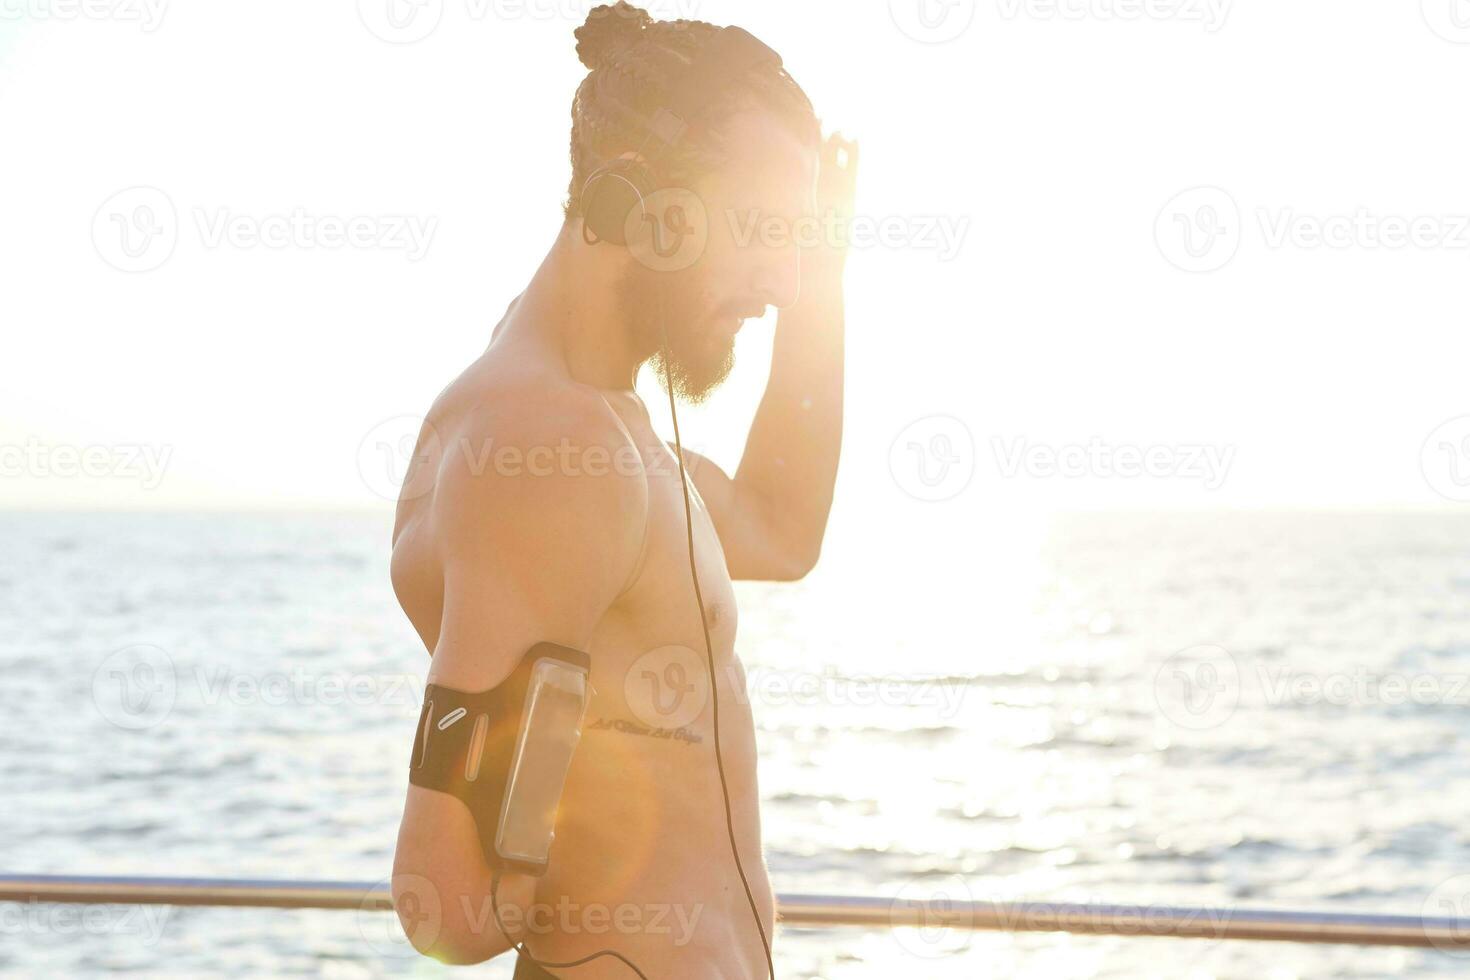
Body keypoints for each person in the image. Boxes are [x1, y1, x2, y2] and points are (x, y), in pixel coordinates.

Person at [389, 4, 856, 975]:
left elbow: (781, 528)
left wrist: (824, 281)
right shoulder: (552, 444)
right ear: (643, 206)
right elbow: (443, 900)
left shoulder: (604, 434)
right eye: (760, 231)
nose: (781, 282)